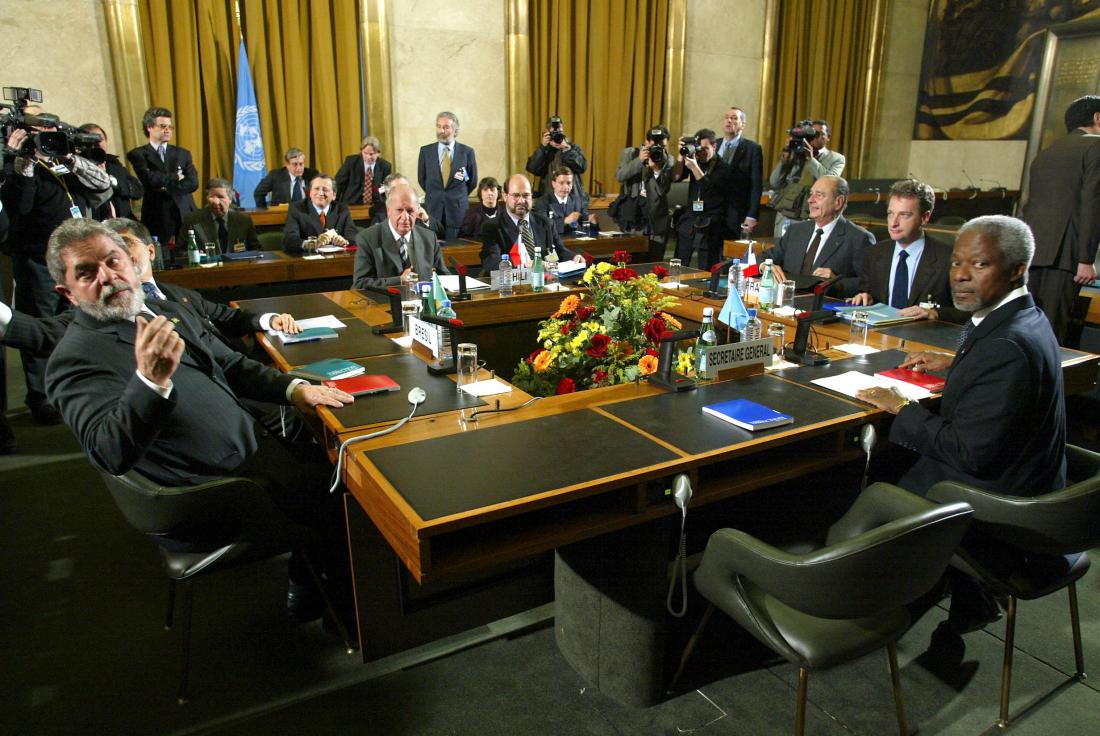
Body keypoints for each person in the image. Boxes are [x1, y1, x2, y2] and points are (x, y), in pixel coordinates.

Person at [43, 218, 353, 619]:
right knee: (354, 488)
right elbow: (109, 452)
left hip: (254, 451)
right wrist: (149, 381)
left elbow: (233, 365)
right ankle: (340, 603)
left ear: (130, 260)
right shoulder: (74, 359)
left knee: (338, 458)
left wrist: (295, 390)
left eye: (113, 260)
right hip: (216, 489)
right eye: (87, 273)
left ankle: (315, 574)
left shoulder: (165, 308)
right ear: (67, 293)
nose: (108, 277)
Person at [856, 216, 1065, 636]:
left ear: (1016, 269)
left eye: (979, 265)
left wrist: (901, 407)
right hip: (1030, 478)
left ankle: (847, 600)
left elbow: (968, 451)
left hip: (1004, 504)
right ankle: (966, 592)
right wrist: (958, 366)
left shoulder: (1006, 345)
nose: (961, 277)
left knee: (872, 480)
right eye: (955, 264)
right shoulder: (1024, 317)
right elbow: (1005, 386)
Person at [1, 119, 112, 425]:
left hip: (77, 263)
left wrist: (70, 157)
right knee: (39, 327)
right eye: (43, 139)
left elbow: (104, 187)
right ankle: (41, 397)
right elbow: (18, 208)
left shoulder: (68, 166)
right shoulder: (22, 170)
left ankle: (78, 388)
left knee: (81, 325)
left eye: (54, 138)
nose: (47, 144)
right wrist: (23, 162)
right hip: (37, 263)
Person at [1021, 94, 1100, 345]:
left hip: (1034, 255)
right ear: (1097, 118)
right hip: (1066, 257)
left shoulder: (1045, 153)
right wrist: (1086, 259)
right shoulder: (1095, 146)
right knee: (1053, 334)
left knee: (1028, 327)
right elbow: (1092, 204)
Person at [849, 178, 966, 323]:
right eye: (890, 213)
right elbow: (867, 293)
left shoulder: (948, 259)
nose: (893, 223)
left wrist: (935, 313)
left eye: (904, 215)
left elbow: (968, 312)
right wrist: (865, 297)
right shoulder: (874, 254)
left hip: (923, 338)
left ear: (925, 217)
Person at [765, 175, 873, 298]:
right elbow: (762, 258)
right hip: (785, 304)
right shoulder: (796, 231)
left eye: (819, 195)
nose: (810, 200)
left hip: (824, 309)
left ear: (838, 202)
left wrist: (835, 280)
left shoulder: (858, 238)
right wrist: (766, 266)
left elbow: (870, 284)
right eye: (811, 194)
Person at [479, 174, 585, 274]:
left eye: (526, 195)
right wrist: (523, 266)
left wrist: (574, 257)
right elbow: (491, 261)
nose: (521, 200)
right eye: (516, 195)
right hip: (512, 286)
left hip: (547, 282)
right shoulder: (492, 227)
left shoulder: (545, 222)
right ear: (505, 196)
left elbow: (559, 251)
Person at [352, 183, 449, 290]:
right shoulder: (367, 238)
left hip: (422, 303)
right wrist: (399, 281)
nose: (405, 217)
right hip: (384, 303)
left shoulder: (429, 238)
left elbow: (443, 277)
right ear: (388, 210)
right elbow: (360, 283)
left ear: (417, 211)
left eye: (410, 211)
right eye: (399, 210)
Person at [126, 106, 199, 247]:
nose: (168, 130)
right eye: (163, 126)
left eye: (170, 127)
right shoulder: (138, 154)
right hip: (157, 214)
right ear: (150, 127)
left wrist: (166, 187)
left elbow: (193, 183)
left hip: (184, 212)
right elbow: (149, 180)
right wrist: (176, 177)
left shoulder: (183, 153)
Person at [769, 119, 845, 236]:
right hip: (786, 214)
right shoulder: (796, 154)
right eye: (811, 133)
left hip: (811, 216)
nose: (814, 137)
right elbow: (774, 183)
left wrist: (811, 159)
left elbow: (829, 183)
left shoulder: (836, 158)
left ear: (828, 137)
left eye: (819, 134)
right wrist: (785, 159)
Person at [673, 128, 732, 270]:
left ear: (714, 146)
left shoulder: (723, 167)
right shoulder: (695, 160)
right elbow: (676, 177)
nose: (702, 152)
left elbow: (708, 189)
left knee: (706, 267)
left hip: (711, 223)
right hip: (691, 220)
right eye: (699, 148)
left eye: (705, 148)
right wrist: (681, 156)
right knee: (680, 263)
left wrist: (694, 167)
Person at [614, 125, 674, 260]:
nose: (658, 150)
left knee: (655, 264)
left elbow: (664, 190)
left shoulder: (668, 159)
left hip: (656, 220)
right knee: (630, 262)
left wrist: (657, 170)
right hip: (633, 218)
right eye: (654, 145)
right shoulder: (630, 153)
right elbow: (620, 176)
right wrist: (639, 160)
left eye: (662, 146)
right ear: (646, 142)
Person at [417, 112, 477, 241]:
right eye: (438, 126)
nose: (441, 131)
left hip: (457, 212)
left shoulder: (467, 152)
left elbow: (472, 182)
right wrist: (437, 194)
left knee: (455, 251)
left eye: (446, 127)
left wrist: (456, 195)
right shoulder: (426, 151)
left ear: (455, 131)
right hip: (433, 210)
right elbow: (422, 179)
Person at [77, 123, 144, 220]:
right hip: (98, 226)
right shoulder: (78, 167)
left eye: (101, 139)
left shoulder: (113, 163)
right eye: (93, 140)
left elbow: (138, 191)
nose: (98, 143)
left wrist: (113, 182)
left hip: (124, 223)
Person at [178, 178, 262, 254]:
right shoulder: (193, 220)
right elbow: (180, 251)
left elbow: (256, 249)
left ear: (230, 199)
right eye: (211, 197)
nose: (215, 201)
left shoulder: (243, 220)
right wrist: (194, 254)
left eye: (220, 197)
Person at [717, 107, 763, 238]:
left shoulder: (753, 149)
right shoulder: (714, 144)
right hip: (713, 212)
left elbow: (756, 185)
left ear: (743, 124)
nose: (729, 121)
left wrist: (752, 215)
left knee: (732, 254)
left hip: (736, 212)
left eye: (734, 118)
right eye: (727, 117)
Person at [282, 174, 357, 254]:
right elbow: (289, 239)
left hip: (336, 259)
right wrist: (313, 243)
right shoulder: (297, 209)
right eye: (316, 189)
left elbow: (353, 236)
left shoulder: (342, 210)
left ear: (334, 195)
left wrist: (344, 241)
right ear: (310, 193)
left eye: (325, 190)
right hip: (307, 259)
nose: (321, 193)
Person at [526, 116, 588, 198]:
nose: (556, 136)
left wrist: (566, 149)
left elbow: (582, 167)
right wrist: (543, 147)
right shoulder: (545, 150)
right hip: (549, 199)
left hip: (572, 199)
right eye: (553, 133)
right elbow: (532, 168)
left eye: (559, 132)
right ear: (547, 133)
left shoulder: (572, 148)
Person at [334, 136, 393, 220]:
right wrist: (335, 205)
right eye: (365, 153)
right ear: (361, 151)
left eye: (372, 154)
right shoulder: (351, 162)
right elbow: (338, 184)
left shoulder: (385, 166)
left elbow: (387, 189)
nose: (368, 157)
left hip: (375, 207)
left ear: (378, 153)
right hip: (351, 204)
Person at [535, 168, 593, 237]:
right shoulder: (543, 201)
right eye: (561, 183)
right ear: (553, 184)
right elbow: (542, 226)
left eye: (569, 183)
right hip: (553, 242)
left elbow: (586, 224)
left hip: (574, 242)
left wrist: (593, 222)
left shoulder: (578, 200)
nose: (565, 187)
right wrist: (564, 221)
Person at [253, 147, 318, 208]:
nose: (298, 168)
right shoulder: (276, 175)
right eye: (295, 164)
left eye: (301, 164)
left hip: (307, 216)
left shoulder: (312, 175)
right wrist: (264, 212)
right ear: (287, 164)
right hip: (282, 216)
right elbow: (258, 193)